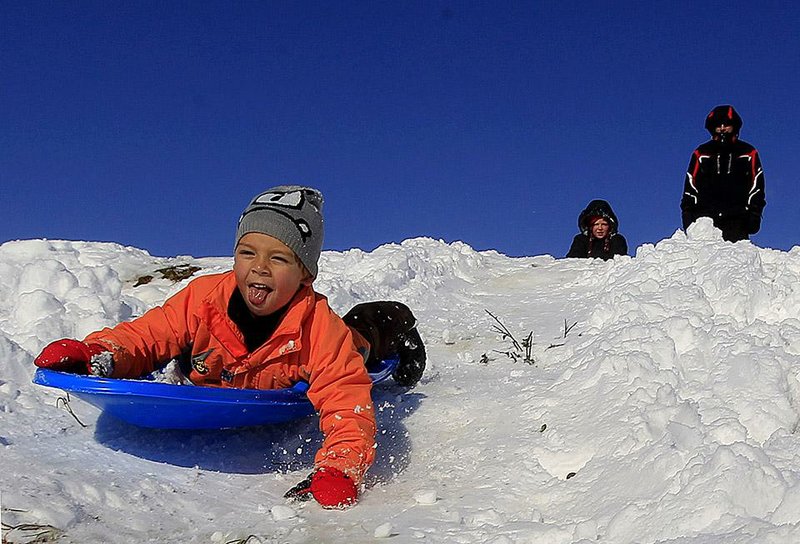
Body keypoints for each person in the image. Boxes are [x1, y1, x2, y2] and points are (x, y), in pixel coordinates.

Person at [33, 185, 426, 509]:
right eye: (247, 253)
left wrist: (340, 467)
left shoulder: (319, 329)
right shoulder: (203, 300)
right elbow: (149, 334)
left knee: (361, 338)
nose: (259, 267)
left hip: (342, 345)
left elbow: (346, 400)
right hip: (229, 373)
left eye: (279, 258)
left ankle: (398, 324)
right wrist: (97, 354)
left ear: (305, 274)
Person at [680, 104, 766, 242]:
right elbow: (690, 186)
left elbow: (757, 185)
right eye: (718, 125)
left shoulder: (748, 152)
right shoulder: (701, 153)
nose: (722, 128)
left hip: (737, 219)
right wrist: (688, 216)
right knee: (702, 262)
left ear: (734, 126)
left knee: (736, 261)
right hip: (705, 220)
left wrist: (754, 213)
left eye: (726, 124)